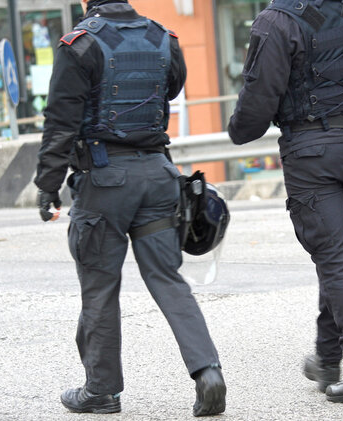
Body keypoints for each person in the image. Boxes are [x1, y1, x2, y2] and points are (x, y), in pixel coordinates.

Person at [34, 0, 226, 416]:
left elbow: (60, 122)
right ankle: (208, 372)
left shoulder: (78, 44)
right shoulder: (163, 37)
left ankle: (102, 391)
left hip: (105, 183)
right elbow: (171, 89)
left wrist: (48, 187)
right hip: (159, 176)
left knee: (100, 287)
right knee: (168, 280)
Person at [228, 0, 343, 404]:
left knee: (336, 262)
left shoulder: (277, 21)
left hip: (312, 155)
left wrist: (238, 130)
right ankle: (328, 359)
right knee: (339, 255)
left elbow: (258, 99)